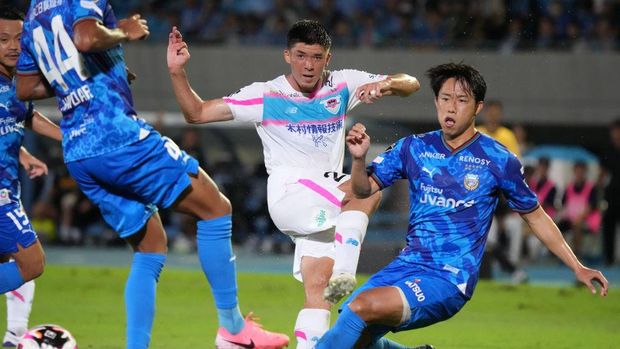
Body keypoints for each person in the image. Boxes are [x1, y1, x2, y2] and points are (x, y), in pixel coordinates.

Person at [15, 1, 288, 349]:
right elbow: (85, 38)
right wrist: (121, 34)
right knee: (216, 208)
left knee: (150, 246)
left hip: (79, 151)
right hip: (117, 136)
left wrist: (101, 71)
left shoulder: (35, 12)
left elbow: (25, 89)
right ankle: (233, 331)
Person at [315, 63, 608, 349]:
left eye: (461, 100)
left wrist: (577, 267)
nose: (451, 108)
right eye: (445, 99)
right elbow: (364, 190)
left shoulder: (498, 159)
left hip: (449, 279)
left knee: (361, 307)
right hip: (406, 266)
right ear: (435, 101)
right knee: (355, 332)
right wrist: (357, 159)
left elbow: (536, 216)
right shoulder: (414, 147)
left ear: (478, 107)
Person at [166, 19, 419, 349]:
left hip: (323, 205)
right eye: (301, 55)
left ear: (328, 58)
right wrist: (177, 71)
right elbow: (196, 113)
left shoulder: (343, 85)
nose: (308, 65)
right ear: (287, 55)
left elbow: (411, 82)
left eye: (316, 57)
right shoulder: (266, 95)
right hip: (291, 192)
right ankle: (347, 270)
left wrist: (386, 86)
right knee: (367, 187)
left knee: (319, 293)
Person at [0, 6, 62, 347]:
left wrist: (71, 138)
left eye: (19, 39)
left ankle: (13, 338)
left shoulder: (13, 83)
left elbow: (25, 117)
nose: (12, 46)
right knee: (31, 261)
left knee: (10, 263)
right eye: (3, 39)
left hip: (9, 184)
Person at [478, 100, 527, 283]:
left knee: (511, 230)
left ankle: (513, 267)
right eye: (490, 112)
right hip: (480, 196)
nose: (493, 115)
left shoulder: (507, 136)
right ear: (484, 113)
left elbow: (515, 166)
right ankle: (511, 269)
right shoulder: (477, 133)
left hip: (502, 195)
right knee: (487, 238)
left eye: (496, 112)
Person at [557, 161, 601, 258]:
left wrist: (579, 218)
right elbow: (563, 205)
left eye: (581, 172)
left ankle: (577, 253)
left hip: (586, 221)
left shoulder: (591, 188)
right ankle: (562, 254)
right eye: (577, 172)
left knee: (577, 224)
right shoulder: (569, 187)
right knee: (558, 226)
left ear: (585, 172)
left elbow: (591, 207)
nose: (579, 174)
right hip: (570, 219)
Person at [600, 118, 620, 265]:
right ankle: (609, 258)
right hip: (612, 193)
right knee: (608, 225)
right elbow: (603, 171)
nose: (614, 134)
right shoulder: (609, 149)